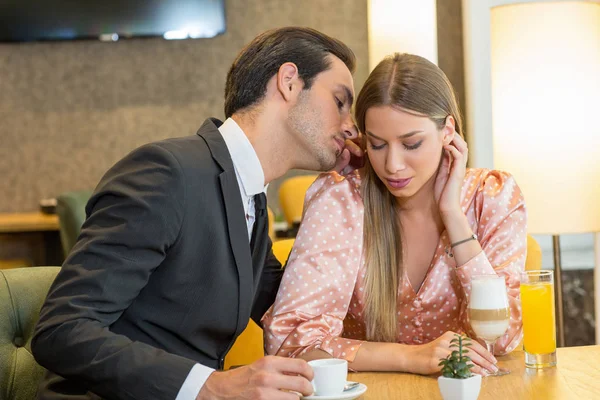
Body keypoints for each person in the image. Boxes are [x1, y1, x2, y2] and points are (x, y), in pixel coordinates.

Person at [31, 27, 362, 400]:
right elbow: (61, 331)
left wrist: (367, 190)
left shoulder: (252, 199)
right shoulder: (167, 173)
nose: (351, 126)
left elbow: (295, 310)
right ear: (288, 82)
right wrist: (211, 386)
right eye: (340, 102)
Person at [263, 53, 525, 377]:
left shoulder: (493, 196)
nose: (393, 165)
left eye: (411, 144)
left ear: (447, 132)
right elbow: (290, 345)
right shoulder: (341, 198)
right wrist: (411, 358)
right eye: (377, 145)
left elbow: (505, 335)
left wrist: (453, 216)